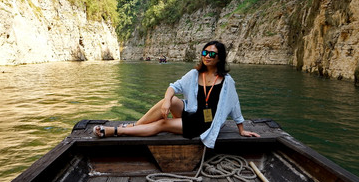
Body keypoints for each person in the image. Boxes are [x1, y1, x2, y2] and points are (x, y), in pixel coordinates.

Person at [93, 40, 260, 148]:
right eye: (204, 53)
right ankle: (135, 126)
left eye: (212, 54)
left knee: (163, 125)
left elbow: (234, 105)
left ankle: (116, 131)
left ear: (219, 58)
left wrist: (242, 129)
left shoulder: (227, 81)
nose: (207, 57)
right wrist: (167, 100)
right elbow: (173, 86)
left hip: (205, 123)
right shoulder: (195, 74)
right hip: (191, 113)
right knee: (171, 100)